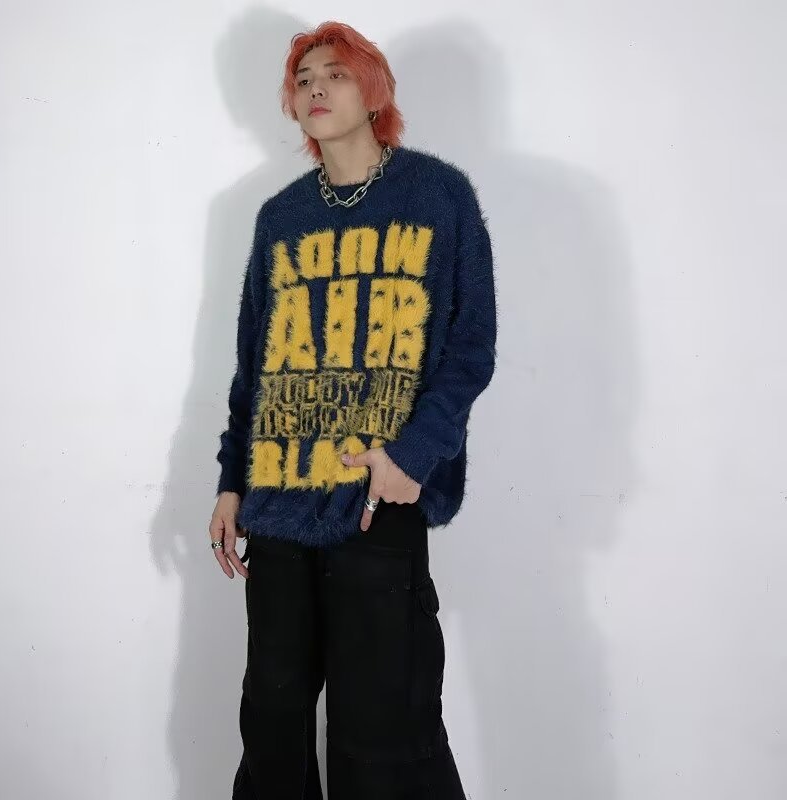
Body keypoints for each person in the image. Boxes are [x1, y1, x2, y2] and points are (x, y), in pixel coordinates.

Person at [208, 20, 497, 800]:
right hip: (278, 505)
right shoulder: (281, 218)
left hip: (375, 500)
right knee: (272, 730)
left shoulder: (436, 196)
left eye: (334, 74)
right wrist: (232, 480)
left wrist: (413, 457)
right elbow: (256, 366)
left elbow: (470, 348)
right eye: (303, 79)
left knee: (386, 732)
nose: (315, 88)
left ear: (373, 93)